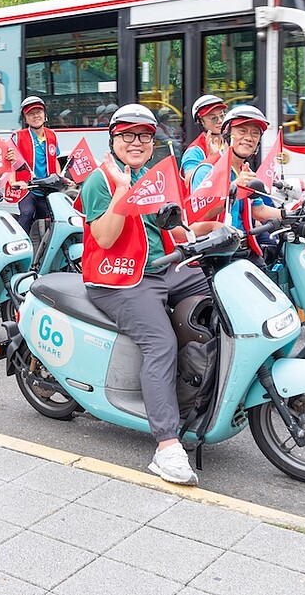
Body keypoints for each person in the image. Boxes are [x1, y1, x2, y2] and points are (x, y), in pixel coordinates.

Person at [80, 104, 224, 486]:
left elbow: (173, 229)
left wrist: (210, 230)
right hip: (120, 278)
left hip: (163, 268)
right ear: (113, 138)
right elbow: (105, 237)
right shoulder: (100, 180)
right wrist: (122, 190)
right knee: (161, 344)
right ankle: (166, 445)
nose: (137, 142)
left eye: (144, 135)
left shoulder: (152, 177)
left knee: (222, 299)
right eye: (127, 135)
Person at [189, 105, 282, 245]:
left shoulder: (246, 171)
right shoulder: (207, 170)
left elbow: (258, 210)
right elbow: (202, 213)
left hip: (245, 244)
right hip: (217, 249)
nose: (249, 138)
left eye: (255, 134)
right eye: (242, 131)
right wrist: (234, 189)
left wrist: (291, 212)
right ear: (227, 133)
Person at [7, 96, 59, 234]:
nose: (36, 116)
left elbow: (55, 160)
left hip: (46, 188)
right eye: (31, 113)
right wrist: (14, 182)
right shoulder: (17, 137)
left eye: (39, 112)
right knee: (27, 213)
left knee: (53, 217)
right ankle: (20, 242)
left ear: (45, 114)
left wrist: (61, 179)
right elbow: (10, 162)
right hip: (27, 189)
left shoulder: (52, 135)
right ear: (25, 119)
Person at [180, 94, 227, 181]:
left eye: (222, 116)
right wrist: (211, 160)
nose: (220, 121)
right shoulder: (194, 151)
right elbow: (189, 181)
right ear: (200, 121)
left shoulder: (229, 143)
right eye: (213, 118)